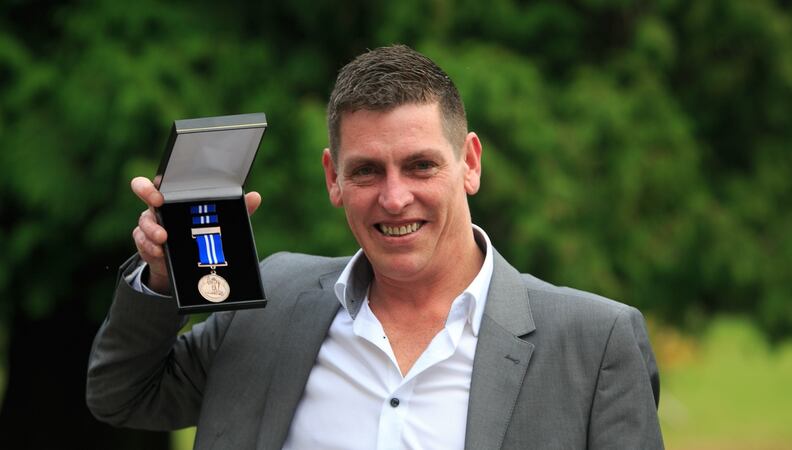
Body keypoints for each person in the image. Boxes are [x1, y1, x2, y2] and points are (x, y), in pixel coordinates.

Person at [87, 45, 664, 449]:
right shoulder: (274, 299)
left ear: (469, 163)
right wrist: (163, 277)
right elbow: (123, 397)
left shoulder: (595, 343)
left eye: (420, 166)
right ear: (333, 178)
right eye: (366, 171)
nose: (394, 198)